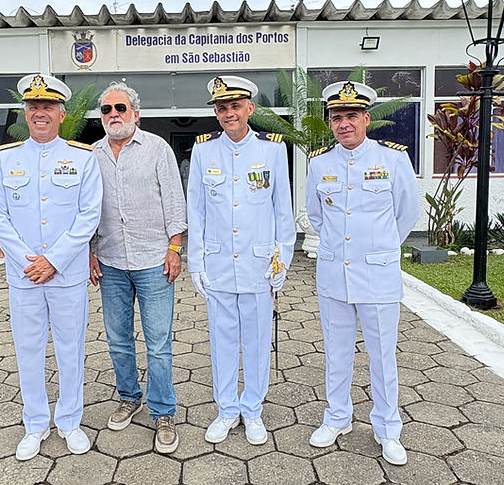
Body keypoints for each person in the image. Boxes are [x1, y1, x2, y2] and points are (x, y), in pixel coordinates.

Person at [0, 73, 102, 461]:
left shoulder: (82, 158)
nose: (40, 113)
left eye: (47, 107)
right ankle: (35, 423)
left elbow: (89, 215)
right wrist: (27, 260)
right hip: (24, 275)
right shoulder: (6, 158)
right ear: (25, 111)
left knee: (71, 349)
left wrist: (53, 260)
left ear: (61, 113)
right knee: (28, 350)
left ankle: (70, 420)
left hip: (66, 274)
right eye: (33, 106)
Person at [305, 80, 419, 466]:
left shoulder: (393, 160)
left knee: (382, 357)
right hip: (335, 275)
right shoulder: (319, 163)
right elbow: (317, 216)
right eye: (336, 117)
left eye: (351, 115)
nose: (343, 123)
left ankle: (388, 429)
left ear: (366, 118)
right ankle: (337, 417)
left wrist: (379, 248)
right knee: (336, 354)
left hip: (378, 276)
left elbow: (406, 215)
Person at [186, 75, 295, 446]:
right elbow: (196, 212)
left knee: (258, 340)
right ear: (216, 114)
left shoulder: (272, 150)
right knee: (222, 339)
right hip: (218, 265)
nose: (228, 113)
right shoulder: (203, 151)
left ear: (250, 108)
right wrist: (196, 263)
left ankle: (253, 409)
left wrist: (282, 261)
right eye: (222, 108)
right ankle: (227, 409)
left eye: (235, 106)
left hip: (258, 265)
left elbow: (284, 212)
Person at [88, 81, 187, 454]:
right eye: (107, 110)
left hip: (153, 261)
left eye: (121, 108)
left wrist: (175, 247)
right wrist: (90, 251)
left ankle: (162, 411)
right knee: (118, 339)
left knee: (159, 344)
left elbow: (175, 202)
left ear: (136, 113)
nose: (114, 115)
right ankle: (129, 397)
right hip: (110, 261)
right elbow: (88, 210)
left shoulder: (157, 149)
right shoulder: (91, 155)